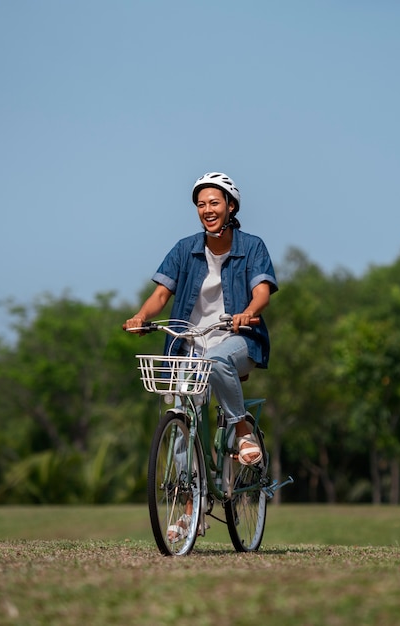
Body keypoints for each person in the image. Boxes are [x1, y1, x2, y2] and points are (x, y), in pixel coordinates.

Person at [125, 171, 278, 541]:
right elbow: (162, 294)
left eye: (214, 202)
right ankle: (193, 511)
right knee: (182, 419)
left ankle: (242, 429)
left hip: (237, 338)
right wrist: (142, 316)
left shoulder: (251, 246)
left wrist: (248, 312)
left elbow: (262, 291)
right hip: (190, 344)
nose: (207, 209)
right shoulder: (185, 249)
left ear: (230, 207)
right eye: (201, 204)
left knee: (218, 359)